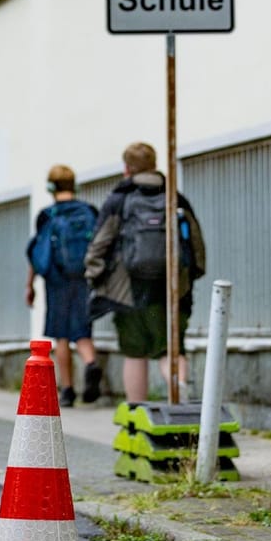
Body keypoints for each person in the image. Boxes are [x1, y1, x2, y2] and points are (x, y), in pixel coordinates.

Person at [85, 142, 207, 404]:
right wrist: (188, 279)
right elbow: (196, 244)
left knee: (135, 353)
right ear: (154, 164)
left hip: (129, 292)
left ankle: (135, 413)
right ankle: (181, 393)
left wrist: (96, 278)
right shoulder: (174, 197)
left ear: (126, 168)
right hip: (171, 291)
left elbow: (99, 244)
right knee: (171, 350)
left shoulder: (119, 199)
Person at [25, 166, 101, 407]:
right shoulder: (89, 211)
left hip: (56, 281)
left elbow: (38, 253)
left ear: (50, 187)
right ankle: (91, 363)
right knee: (82, 330)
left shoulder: (47, 215)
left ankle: (67, 390)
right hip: (84, 278)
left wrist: (30, 285)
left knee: (61, 335)